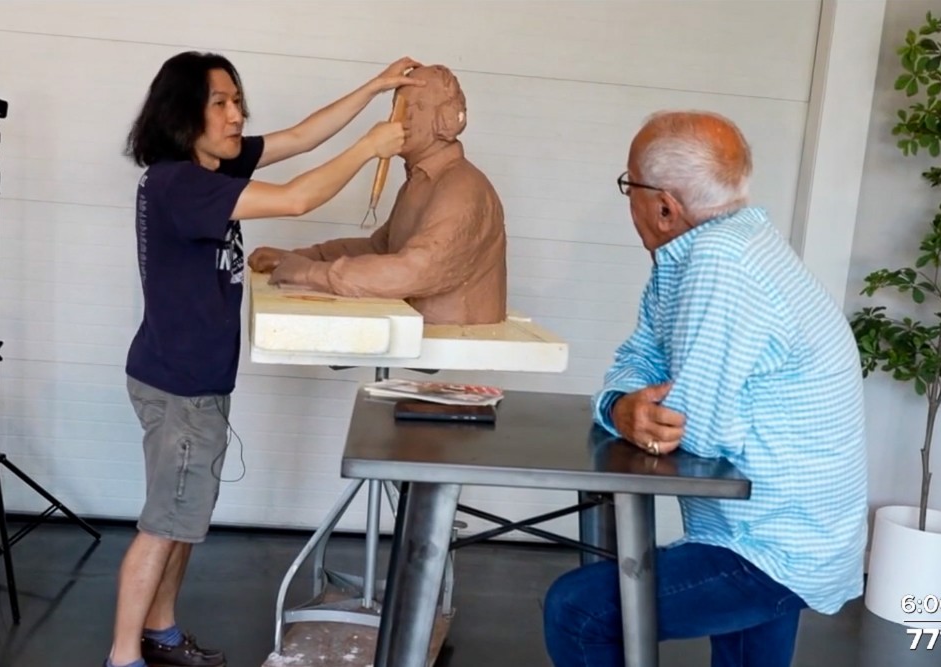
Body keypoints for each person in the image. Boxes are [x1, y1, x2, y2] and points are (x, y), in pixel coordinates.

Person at [109, 51, 423, 667]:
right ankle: (123, 657)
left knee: (184, 519)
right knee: (163, 523)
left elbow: (303, 136)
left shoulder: (213, 165)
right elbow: (299, 198)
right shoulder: (182, 183)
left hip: (188, 380)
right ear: (182, 114)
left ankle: (162, 632)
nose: (237, 115)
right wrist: (371, 146)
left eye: (238, 100)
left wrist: (377, 85)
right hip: (180, 387)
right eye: (221, 103)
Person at [541, 110, 868, 666]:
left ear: (665, 207)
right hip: (777, 528)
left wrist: (635, 412)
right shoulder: (702, 251)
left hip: (770, 542)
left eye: (630, 185)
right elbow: (638, 358)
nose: (629, 201)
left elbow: (689, 431)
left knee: (578, 611)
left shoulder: (723, 261)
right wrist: (619, 406)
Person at [247, 64, 507, 326]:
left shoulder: (460, 188)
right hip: (412, 328)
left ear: (447, 119)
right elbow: (381, 248)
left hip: (451, 332)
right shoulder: (418, 184)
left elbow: (413, 270)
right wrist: (302, 256)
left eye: (416, 107)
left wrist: (310, 273)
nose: (400, 118)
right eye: (399, 106)